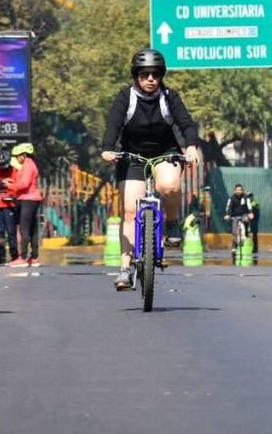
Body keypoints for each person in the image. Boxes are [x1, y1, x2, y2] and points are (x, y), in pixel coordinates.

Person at [101, 48, 200, 290]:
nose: (150, 79)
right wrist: (107, 148)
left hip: (165, 152)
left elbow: (186, 123)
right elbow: (113, 123)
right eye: (144, 74)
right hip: (132, 156)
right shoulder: (126, 97)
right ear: (136, 75)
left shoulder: (169, 97)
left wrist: (192, 146)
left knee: (168, 185)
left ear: (161, 75)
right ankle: (125, 269)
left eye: (155, 74)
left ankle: (172, 222)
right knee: (128, 212)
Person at [6, 143, 43, 267]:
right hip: (32, 198)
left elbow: (24, 184)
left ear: (24, 155)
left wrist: (9, 186)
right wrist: (13, 182)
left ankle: (22, 257)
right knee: (32, 229)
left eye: (18, 156)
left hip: (28, 199)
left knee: (24, 228)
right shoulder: (28, 165)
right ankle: (34, 257)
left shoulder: (27, 165)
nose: (17, 158)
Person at [223, 184, 253, 254]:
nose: (238, 191)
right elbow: (229, 207)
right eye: (237, 190)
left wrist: (251, 213)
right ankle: (234, 246)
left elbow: (249, 206)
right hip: (235, 216)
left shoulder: (246, 197)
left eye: (240, 190)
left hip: (243, 215)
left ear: (242, 191)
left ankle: (246, 234)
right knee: (234, 232)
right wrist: (227, 215)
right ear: (234, 191)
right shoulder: (231, 198)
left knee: (246, 220)